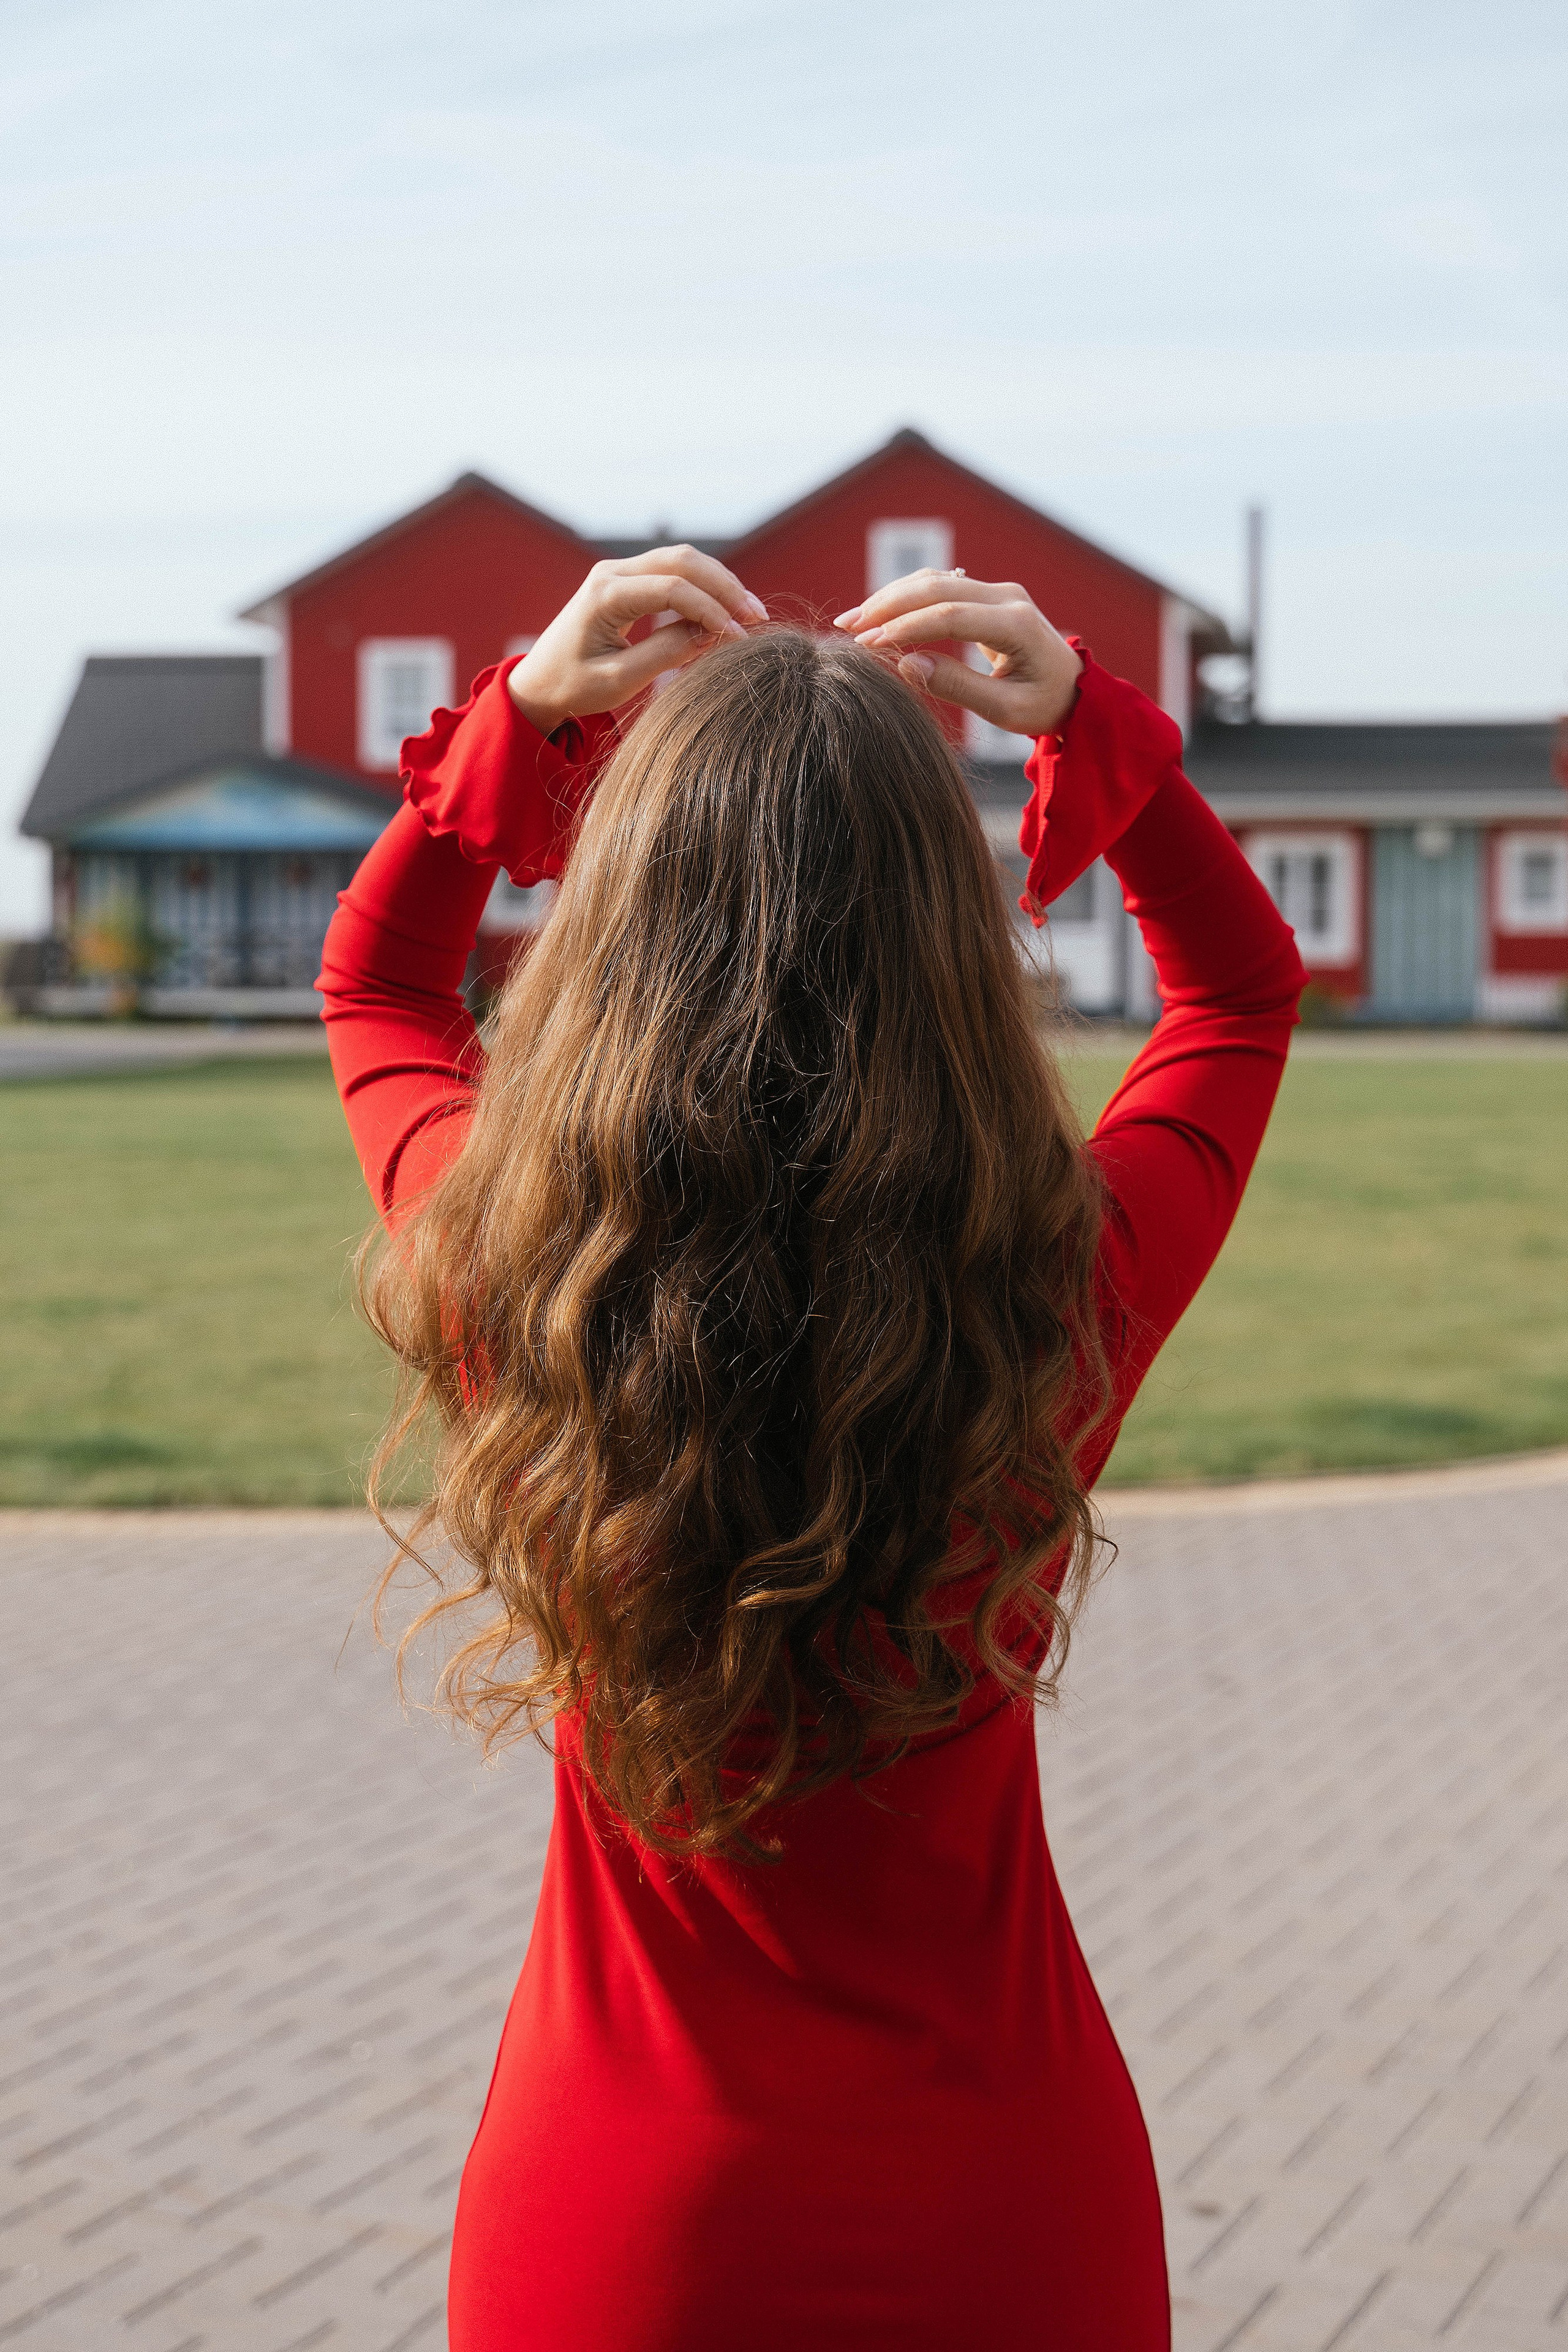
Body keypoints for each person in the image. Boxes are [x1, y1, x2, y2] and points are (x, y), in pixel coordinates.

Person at [318, 545, 1307, 2352]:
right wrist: (1095, 729)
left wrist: (525, 716)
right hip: (1006, 2211)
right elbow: (1238, 997)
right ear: (953, 942)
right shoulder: (1054, 1299)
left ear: (618, 927)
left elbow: (379, 984)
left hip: (614, 2225)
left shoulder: (511, 1273)